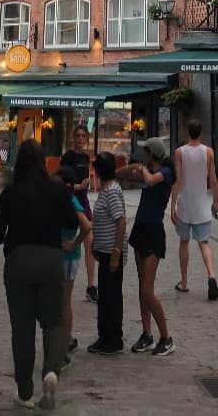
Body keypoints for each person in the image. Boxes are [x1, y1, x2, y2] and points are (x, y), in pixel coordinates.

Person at [0, 138, 78, 410]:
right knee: (53, 322)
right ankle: (52, 370)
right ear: (43, 162)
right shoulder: (56, 189)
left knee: (23, 329)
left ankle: (25, 391)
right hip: (51, 260)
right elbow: (71, 222)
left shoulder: (10, 192)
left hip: (18, 262)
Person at [118, 138, 175, 358]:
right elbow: (120, 173)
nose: (143, 154)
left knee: (147, 290)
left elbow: (152, 181)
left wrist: (142, 170)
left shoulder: (166, 173)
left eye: (145, 152)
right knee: (143, 287)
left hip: (153, 232)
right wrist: (134, 167)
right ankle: (147, 333)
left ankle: (167, 338)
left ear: (152, 154)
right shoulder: (145, 170)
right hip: (140, 229)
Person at [171, 120, 218, 300]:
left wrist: (172, 205)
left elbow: (178, 180)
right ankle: (211, 275)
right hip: (201, 206)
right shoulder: (208, 152)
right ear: (200, 132)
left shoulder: (179, 153)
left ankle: (184, 282)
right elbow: (213, 181)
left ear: (187, 132)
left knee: (184, 242)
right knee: (204, 243)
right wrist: (215, 203)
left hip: (185, 205)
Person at [87, 152, 127, 356]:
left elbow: (120, 221)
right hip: (103, 251)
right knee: (105, 297)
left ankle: (113, 338)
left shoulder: (111, 190)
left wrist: (115, 253)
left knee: (111, 297)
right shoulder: (106, 189)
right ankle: (104, 336)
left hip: (112, 253)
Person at [57, 165, 92, 358]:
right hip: (71, 256)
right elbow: (86, 226)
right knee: (65, 301)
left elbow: (87, 226)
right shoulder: (72, 201)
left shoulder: (61, 201)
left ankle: (65, 339)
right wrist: (76, 242)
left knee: (62, 302)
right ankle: (66, 338)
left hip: (63, 256)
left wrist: (73, 242)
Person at [62, 124, 97, 302]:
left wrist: (87, 185)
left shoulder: (85, 157)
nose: (81, 139)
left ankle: (91, 285)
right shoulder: (67, 157)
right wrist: (77, 186)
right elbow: (61, 182)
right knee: (65, 240)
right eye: (78, 136)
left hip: (83, 200)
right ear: (73, 138)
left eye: (84, 136)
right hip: (69, 201)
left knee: (90, 242)